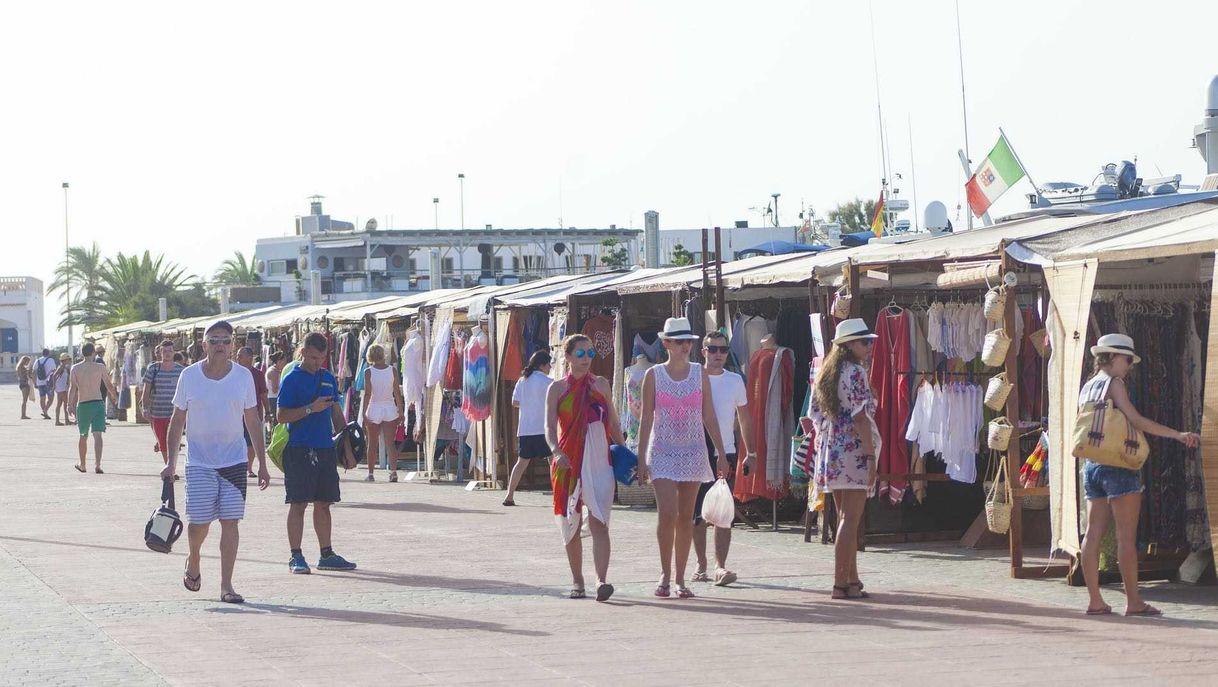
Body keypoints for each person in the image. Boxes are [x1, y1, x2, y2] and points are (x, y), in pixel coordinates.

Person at [1079, 334, 1199, 617]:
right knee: (1125, 538)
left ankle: (1095, 600)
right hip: (1119, 464)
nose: (1130, 366)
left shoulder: (1088, 386)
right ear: (1111, 357)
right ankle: (1133, 602)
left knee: (1092, 534)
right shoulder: (1114, 383)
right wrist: (1178, 435)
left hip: (1092, 464)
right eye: (1127, 360)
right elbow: (1135, 420)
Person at [161, 320, 270, 604]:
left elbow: (253, 420)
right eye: (214, 340)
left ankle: (226, 585)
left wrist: (262, 462)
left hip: (234, 461)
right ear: (204, 344)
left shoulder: (243, 376)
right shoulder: (189, 376)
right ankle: (194, 557)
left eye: (225, 340)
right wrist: (170, 463)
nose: (220, 345)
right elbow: (177, 422)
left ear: (232, 344)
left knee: (230, 522)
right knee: (199, 524)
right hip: (199, 462)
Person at [636, 318, 728, 600]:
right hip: (662, 450)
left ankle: (679, 578)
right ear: (666, 344)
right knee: (667, 513)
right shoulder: (653, 374)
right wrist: (641, 459)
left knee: (687, 518)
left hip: (694, 449)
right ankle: (664, 573)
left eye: (688, 341)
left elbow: (709, 415)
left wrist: (721, 453)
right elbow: (646, 418)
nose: (685, 346)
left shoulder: (699, 373)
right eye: (678, 342)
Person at [545, 334, 629, 601]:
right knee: (571, 522)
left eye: (590, 354)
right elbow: (548, 427)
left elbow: (614, 424)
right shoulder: (557, 389)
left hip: (600, 461)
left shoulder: (601, 385)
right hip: (568, 461)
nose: (586, 359)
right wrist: (556, 452)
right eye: (580, 354)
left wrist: (629, 455)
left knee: (600, 522)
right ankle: (577, 581)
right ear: (568, 357)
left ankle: (601, 581)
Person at [808, 319, 880, 600]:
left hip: (832, 447)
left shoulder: (826, 373)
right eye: (864, 342)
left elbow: (814, 415)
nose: (869, 346)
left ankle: (851, 578)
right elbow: (860, 417)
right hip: (853, 449)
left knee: (843, 517)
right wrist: (871, 456)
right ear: (849, 345)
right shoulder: (855, 373)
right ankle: (840, 582)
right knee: (851, 518)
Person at [276, 332, 358, 575]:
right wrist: (310, 408)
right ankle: (296, 555)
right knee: (298, 503)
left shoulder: (327, 377)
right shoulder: (292, 379)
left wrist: (347, 448)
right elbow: (281, 416)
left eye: (321, 358)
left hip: (324, 448)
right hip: (299, 448)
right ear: (303, 352)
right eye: (313, 357)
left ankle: (327, 553)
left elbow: (335, 413)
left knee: (324, 503)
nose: (317, 362)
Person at [691, 332, 754, 587]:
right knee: (697, 513)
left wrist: (751, 451)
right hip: (696, 449)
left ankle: (720, 566)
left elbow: (744, 417)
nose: (718, 354)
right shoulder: (694, 377)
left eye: (723, 350)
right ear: (703, 351)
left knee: (723, 511)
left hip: (725, 450)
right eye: (713, 349)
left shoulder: (735, 380)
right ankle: (701, 564)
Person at [504, 351, 553, 506]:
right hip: (543, 428)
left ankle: (509, 495)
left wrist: (529, 404)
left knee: (521, 463)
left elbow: (515, 402)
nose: (550, 367)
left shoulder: (522, 380)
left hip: (525, 429)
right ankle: (558, 496)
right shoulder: (548, 382)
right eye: (549, 364)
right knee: (553, 462)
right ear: (543, 365)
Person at [68, 342, 119, 474]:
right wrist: (115, 397)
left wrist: (69, 404)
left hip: (83, 404)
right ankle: (97, 464)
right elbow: (108, 385)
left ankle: (83, 464)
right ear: (93, 353)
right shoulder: (100, 367)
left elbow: (72, 388)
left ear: (82, 353)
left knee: (83, 435)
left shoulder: (75, 368)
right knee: (98, 435)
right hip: (98, 403)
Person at [359, 343, 404, 482]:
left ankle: (371, 473)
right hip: (389, 406)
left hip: (374, 407)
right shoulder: (392, 370)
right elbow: (397, 392)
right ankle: (393, 472)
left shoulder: (368, 371)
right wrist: (400, 410)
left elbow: (367, 394)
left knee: (372, 443)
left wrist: (363, 412)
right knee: (390, 443)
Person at [141, 340, 185, 475]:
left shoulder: (181, 370)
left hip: (175, 414)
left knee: (175, 441)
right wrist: (145, 408)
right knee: (163, 442)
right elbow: (146, 390)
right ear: (160, 353)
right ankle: (169, 466)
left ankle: (171, 466)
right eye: (164, 351)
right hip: (158, 413)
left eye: (170, 351)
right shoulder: (153, 369)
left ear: (174, 352)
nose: (167, 354)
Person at [237, 346, 269, 478]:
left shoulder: (258, 374)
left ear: (249, 358)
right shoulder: (233, 372)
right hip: (236, 414)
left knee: (251, 442)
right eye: (238, 355)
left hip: (254, 413)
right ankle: (239, 466)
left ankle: (249, 467)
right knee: (238, 440)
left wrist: (268, 411)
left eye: (240, 355)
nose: (237, 357)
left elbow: (263, 395)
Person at [266, 351, 287, 429]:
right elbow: (275, 389)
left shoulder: (275, 371)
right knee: (276, 421)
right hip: (274, 398)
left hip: (273, 398)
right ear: (279, 361)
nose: (285, 364)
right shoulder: (274, 372)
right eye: (284, 362)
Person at [50, 353, 73, 425]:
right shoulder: (61, 367)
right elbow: (54, 376)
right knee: (64, 404)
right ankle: (65, 420)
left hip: (61, 388)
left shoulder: (64, 367)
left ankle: (59, 421)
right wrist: (54, 386)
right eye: (69, 359)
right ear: (65, 360)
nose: (70, 361)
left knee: (60, 404)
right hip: (61, 388)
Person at [34, 348, 56, 419]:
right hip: (49, 383)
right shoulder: (51, 360)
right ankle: (45, 410)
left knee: (42, 398)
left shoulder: (37, 360)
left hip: (39, 382)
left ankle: (45, 412)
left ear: (42, 353)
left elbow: (33, 372)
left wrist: (35, 382)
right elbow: (54, 371)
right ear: (48, 353)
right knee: (51, 398)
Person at [16, 355, 32, 420]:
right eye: (27, 361)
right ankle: (23, 415)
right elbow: (20, 376)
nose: (28, 363)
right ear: (24, 360)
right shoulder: (20, 367)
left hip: (24, 384)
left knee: (25, 400)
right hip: (24, 384)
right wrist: (25, 381)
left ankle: (24, 414)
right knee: (24, 400)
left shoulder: (22, 367)